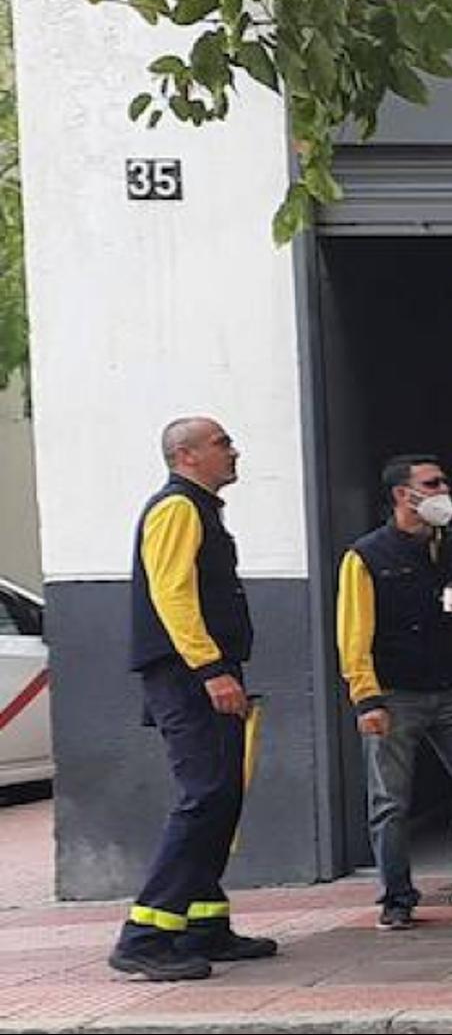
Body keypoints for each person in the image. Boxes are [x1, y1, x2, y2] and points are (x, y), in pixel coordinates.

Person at [108, 417, 279, 981]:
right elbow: (172, 593)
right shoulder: (178, 508)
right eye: (221, 443)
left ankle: (205, 923)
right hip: (189, 673)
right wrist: (209, 669)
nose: (234, 451)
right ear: (185, 455)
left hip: (201, 670)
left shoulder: (199, 508)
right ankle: (145, 936)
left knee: (221, 795)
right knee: (205, 795)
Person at [336, 454, 452, 932]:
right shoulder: (366, 556)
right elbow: (354, 633)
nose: (443, 492)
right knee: (389, 799)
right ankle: (396, 896)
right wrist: (366, 698)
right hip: (395, 690)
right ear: (401, 495)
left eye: (443, 483)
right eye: (432, 484)